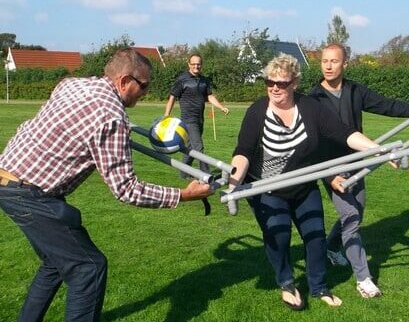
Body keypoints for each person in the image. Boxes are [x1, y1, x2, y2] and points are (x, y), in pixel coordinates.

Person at [0, 48, 214, 322]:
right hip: (29, 194)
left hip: (9, 179)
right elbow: (126, 189)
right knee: (89, 268)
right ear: (124, 81)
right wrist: (183, 194)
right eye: (144, 86)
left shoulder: (72, 84)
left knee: (56, 263)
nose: (146, 92)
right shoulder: (112, 117)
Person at [228, 54, 382, 310]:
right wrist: (234, 183)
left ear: (295, 83)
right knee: (278, 235)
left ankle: (319, 287)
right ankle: (287, 283)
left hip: (303, 186)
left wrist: (377, 149)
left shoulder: (310, 107)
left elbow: (343, 132)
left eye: (282, 83)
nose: (274, 88)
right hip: (267, 188)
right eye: (269, 82)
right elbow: (243, 150)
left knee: (315, 238)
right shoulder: (257, 111)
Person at [310, 43, 409, 298]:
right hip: (332, 167)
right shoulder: (313, 98)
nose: (328, 66)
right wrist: (329, 175)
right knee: (351, 218)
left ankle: (331, 247)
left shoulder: (355, 91)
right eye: (324, 61)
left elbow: (389, 106)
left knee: (355, 213)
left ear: (345, 64)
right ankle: (364, 279)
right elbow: (313, 142)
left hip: (358, 161)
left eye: (334, 61)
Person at [164, 54, 229, 175]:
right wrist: (166, 115)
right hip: (188, 120)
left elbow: (209, 96)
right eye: (193, 64)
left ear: (201, 65)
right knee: (199, 147)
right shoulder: (182, 79)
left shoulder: (204, 80)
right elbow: (172, 97)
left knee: (190, 147)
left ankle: (183, 173)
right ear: (189, 64)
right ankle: (206, 175)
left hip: (200, 119)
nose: (196, 66)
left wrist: (221, 107)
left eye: (198, 64)